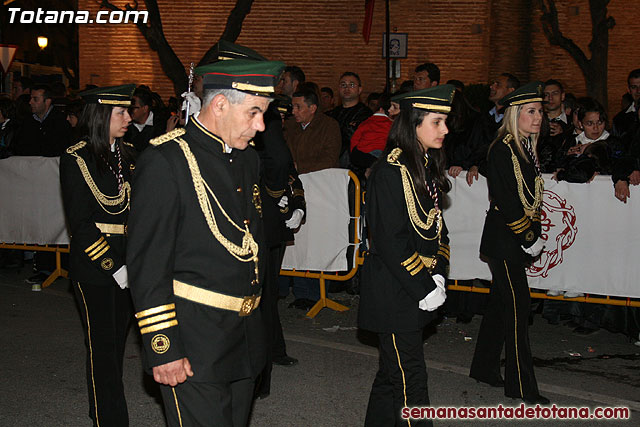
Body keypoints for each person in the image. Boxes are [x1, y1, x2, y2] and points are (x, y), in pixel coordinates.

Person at [127, 59, 285, 426]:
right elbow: (148, 264)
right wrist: (162, 346)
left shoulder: (246, 160)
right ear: (219, 105)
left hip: (244, 340)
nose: (261, 126)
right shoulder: (166, 160)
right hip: (194, 341)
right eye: (255, 113)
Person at [359, 85, 455, 426]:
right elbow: (389, 241)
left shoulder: (424, 166)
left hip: (417, 287)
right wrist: (423, 286)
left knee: (391, 379)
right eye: (437, 121)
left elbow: (438, 229)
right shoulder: (390, 172)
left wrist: (440, 273)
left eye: (445, 121)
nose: (445, 129)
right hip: (396, 293)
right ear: (413, 123)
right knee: (410, 382)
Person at [59, 84, 137, 426]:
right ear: (101, 116)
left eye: (128, 111)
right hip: (96, 266)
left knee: (117, 345)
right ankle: (111, 419)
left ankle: (102, 408)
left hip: (129, 263)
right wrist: (114, 266)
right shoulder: (76, 157)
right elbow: (81, 222)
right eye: (121, 112)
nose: (128, 117)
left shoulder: (130, 154)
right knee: (102, 348)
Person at [469, 82, 549, 405]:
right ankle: (521, 385)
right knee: (519, 306)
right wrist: (529, 236)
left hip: (513, 238)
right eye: (531, 111)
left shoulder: (526, 148)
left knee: (501, 303)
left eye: (541, 111)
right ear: (515, 115)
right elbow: (506, 198)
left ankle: (484, 367)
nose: (539, 117)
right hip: (506, 239)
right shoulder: (502, 149)